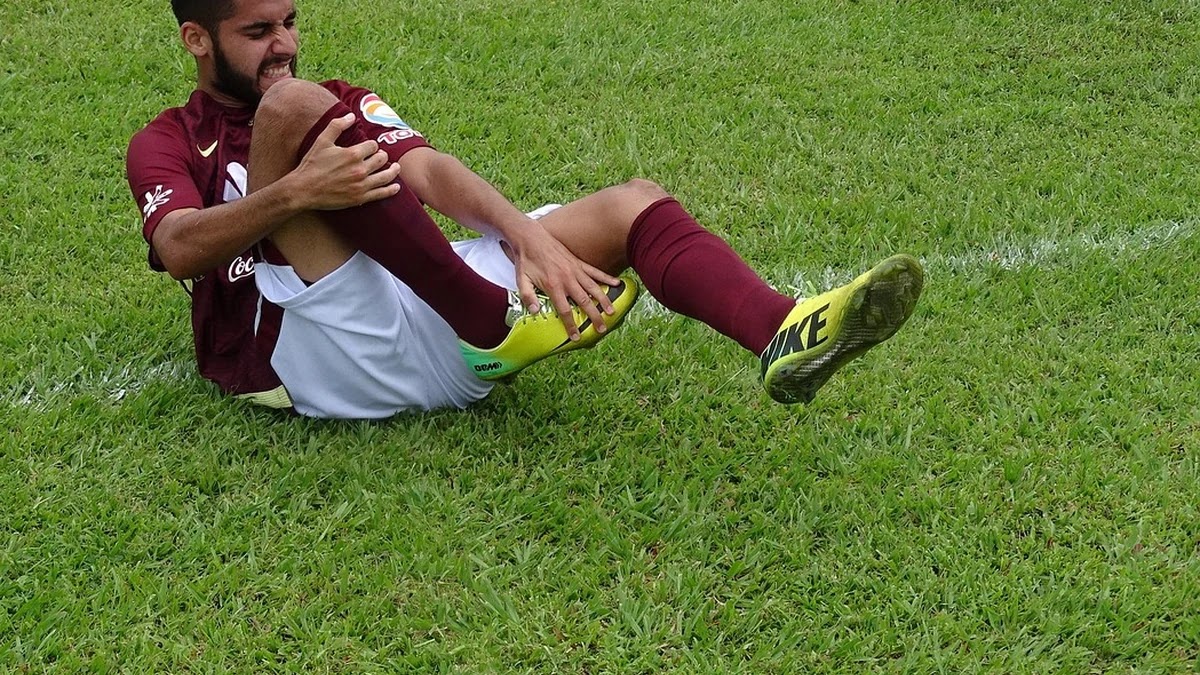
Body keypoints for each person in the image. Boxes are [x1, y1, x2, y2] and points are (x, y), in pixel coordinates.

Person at [126, 0, 925, 419]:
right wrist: (297, 193)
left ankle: (780, 329)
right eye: (258, 30)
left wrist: (522, 238)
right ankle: (485, 319)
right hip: (307, 357)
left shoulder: (331, 97)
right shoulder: (166, 141)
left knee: (631, 205)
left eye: (291, 22)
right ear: (197, 39)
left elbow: (427, 169)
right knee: (296, 112)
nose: (285, 44)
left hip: (417, 304)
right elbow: (180, 247)